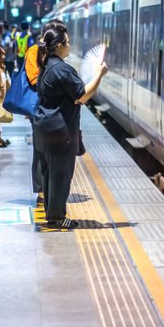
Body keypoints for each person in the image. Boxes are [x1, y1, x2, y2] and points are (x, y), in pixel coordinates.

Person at [36, 20, 107, 229]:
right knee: (60, 177)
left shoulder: (47, 65)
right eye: (67, 43)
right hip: (60, 131)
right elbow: (82, 95)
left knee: (50, 175)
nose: (70, 46)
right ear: (59, 46)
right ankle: (57, 218)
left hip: (45, 128)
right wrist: (100, 75)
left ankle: (52, 213)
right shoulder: (63, 70)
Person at [24, 37, 44, 207]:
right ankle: (41, 191)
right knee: (40, 150)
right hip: (38, 107)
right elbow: (34, 79)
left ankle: (50, 188)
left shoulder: (53, 53)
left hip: (52, 110)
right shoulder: (34, 51)